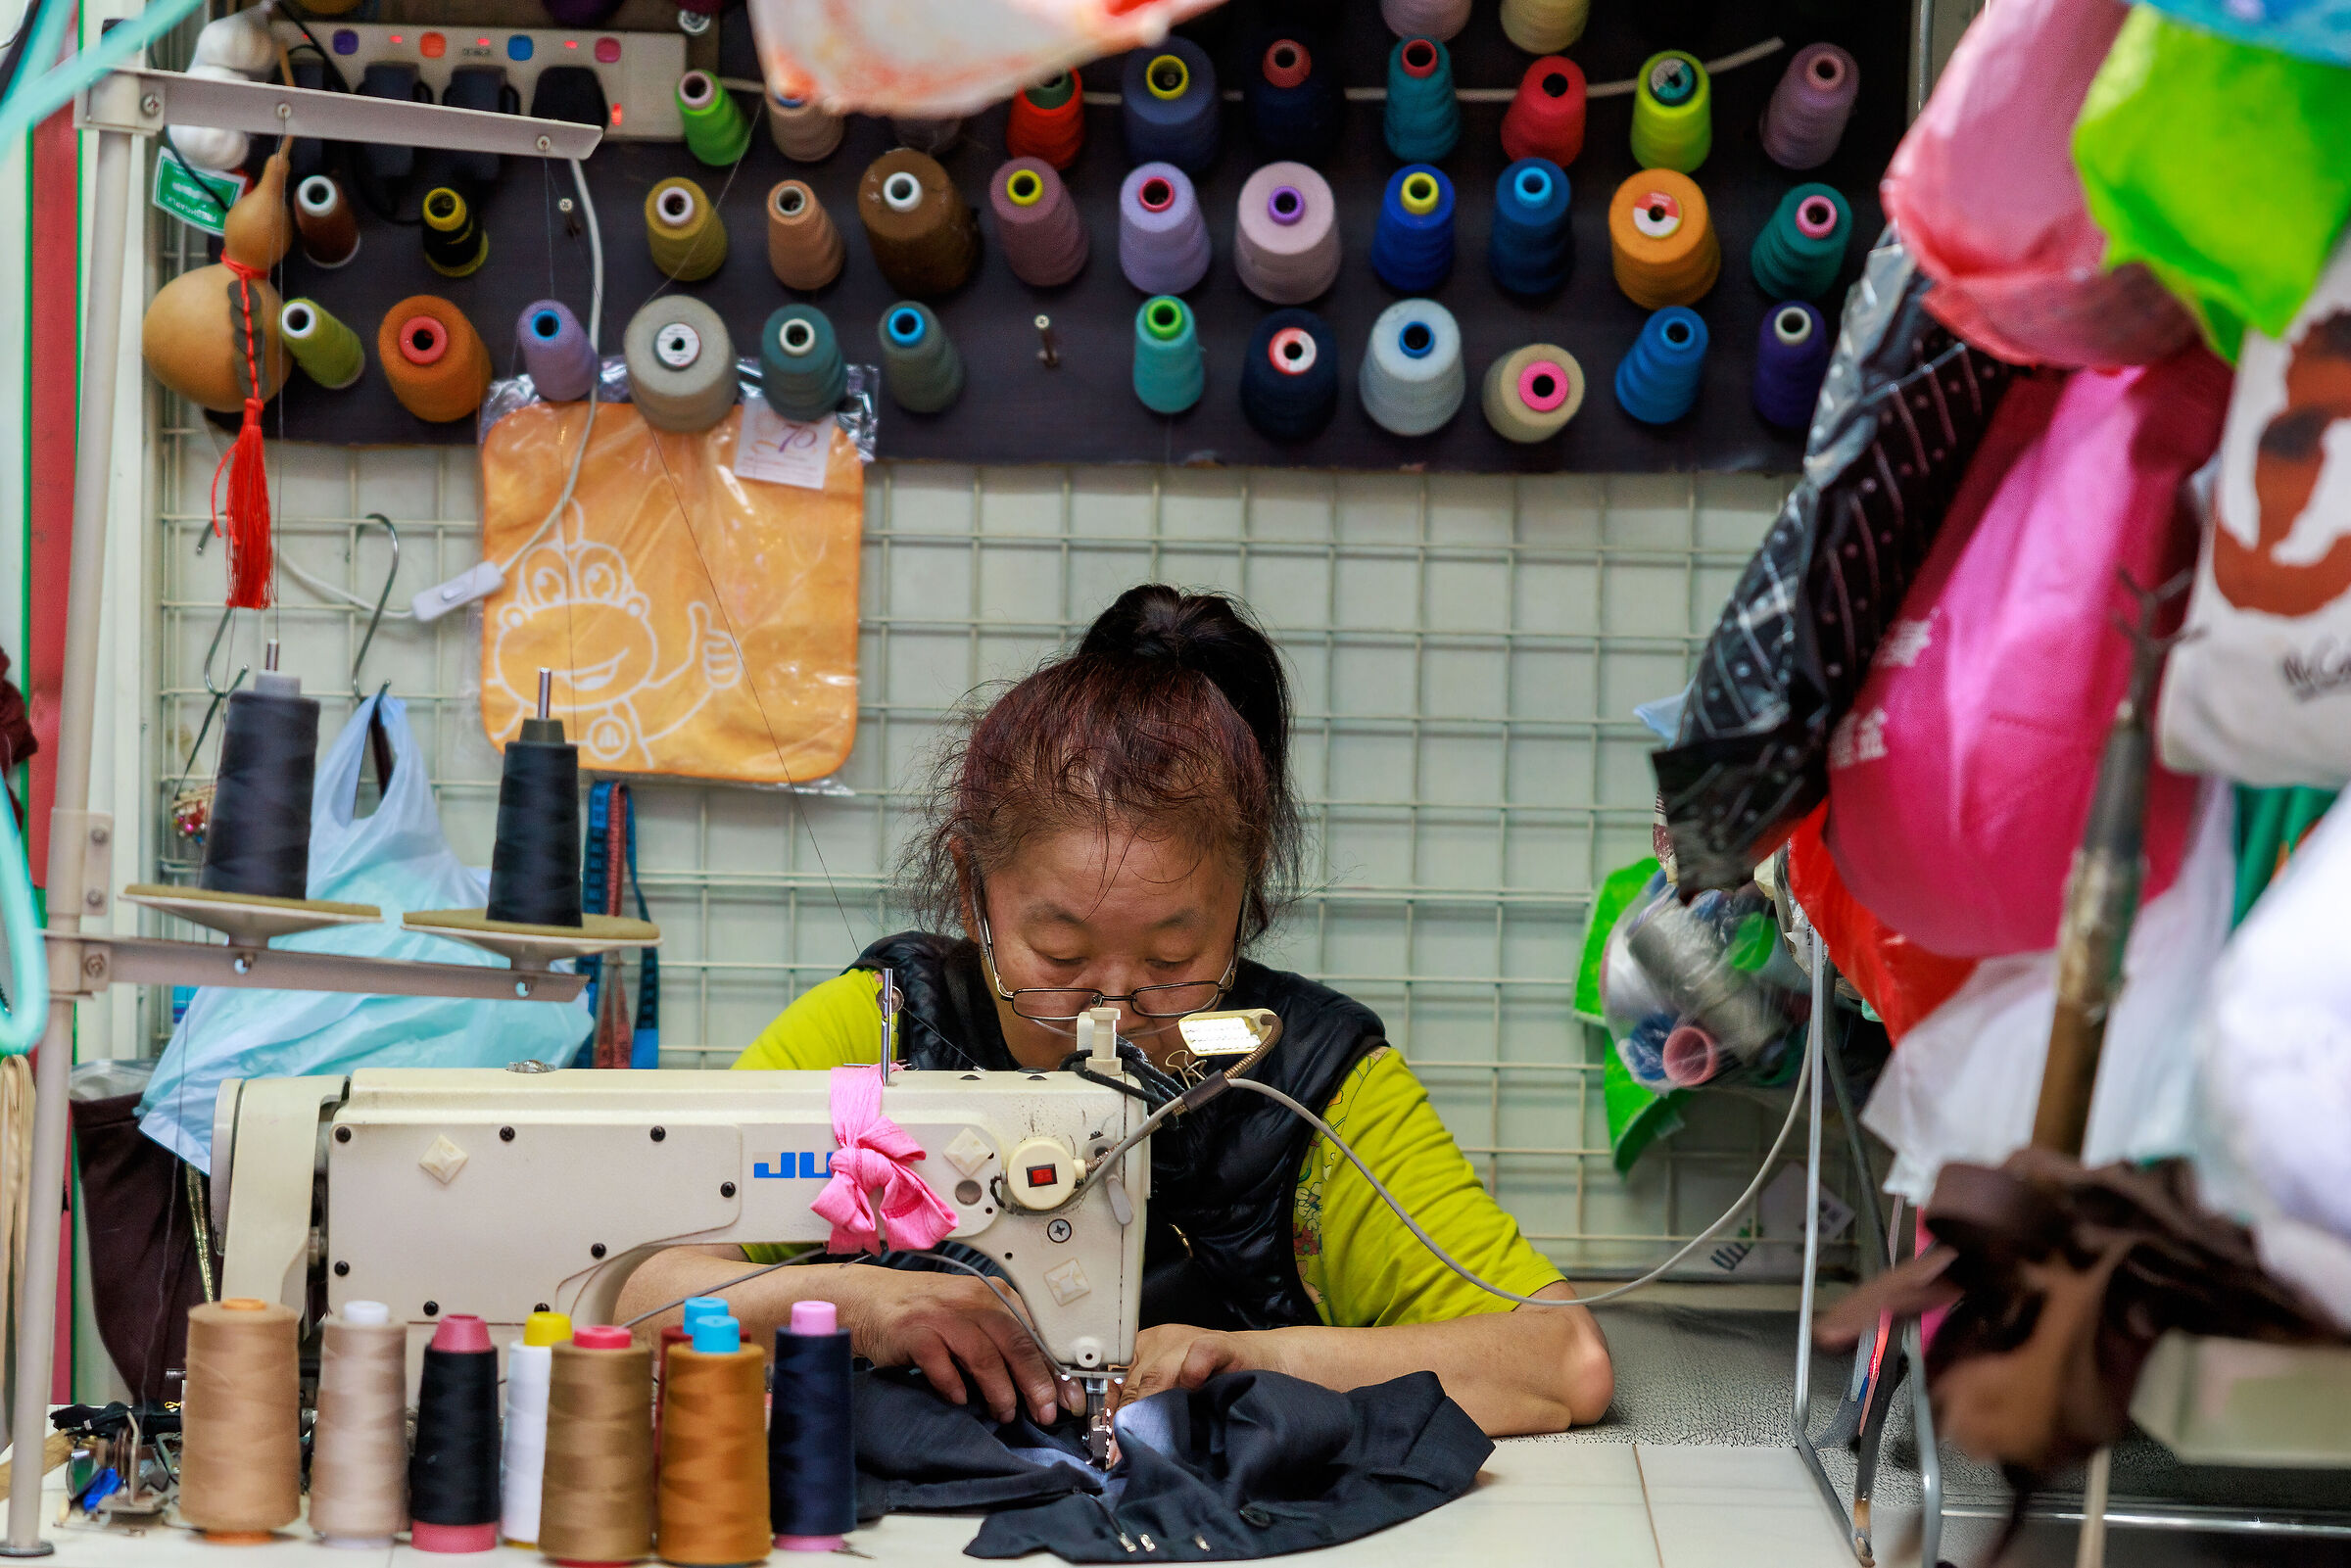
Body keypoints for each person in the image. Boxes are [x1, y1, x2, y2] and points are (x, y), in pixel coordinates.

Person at [617, 586, 1613, 1436]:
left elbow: (1559, 1356)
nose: (1111, 1006)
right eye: (1059, 953)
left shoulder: (1313, 1083)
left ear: (1245, 906)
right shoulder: (871, 1040)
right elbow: (628, 1281)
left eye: (1175, 959)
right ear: (974, 894)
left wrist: (1252, 1357)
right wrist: (860, 1298)